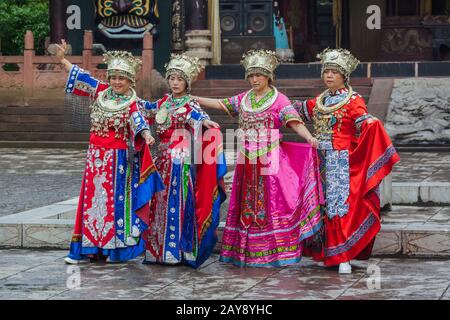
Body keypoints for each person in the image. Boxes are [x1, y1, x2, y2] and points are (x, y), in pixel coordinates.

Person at [193, 49, 323, 267]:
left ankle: (275, 251)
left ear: (268, 77)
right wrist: (194, 98)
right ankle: (245, 252)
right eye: (251, 76)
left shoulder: (279, 100)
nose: (254, 79)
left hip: (270, 159)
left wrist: (309, 137)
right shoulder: (244, 99)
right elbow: (221, 103)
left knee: (273, 205)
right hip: (247, 161)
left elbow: (294, 122)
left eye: (259, 75)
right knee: (246, 205)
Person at [54, 40, 165, 264]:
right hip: (95, 158)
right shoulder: (102, 92)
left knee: (113, 204)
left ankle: (111, 250)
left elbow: (139, 122)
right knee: (91, 202)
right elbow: (81, 76)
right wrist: (61, 59)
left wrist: (147, 135)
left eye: (121, 78)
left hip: (117, 160)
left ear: (129, 80)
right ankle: (84, 250)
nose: (116, 82)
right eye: (113, 77)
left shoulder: (133, 102)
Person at [292, 48, 400, 274]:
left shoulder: (353, 100)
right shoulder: (320, 100)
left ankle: (344, 256)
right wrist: (278, 103)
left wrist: (370, 123)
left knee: (339, 206)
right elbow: (298, 112)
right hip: (318, 159)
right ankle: (326, 252)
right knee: (320, 204)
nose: (328, 76)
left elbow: (363, 122)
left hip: (341, 161)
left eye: (333, 72)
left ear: (344, 75)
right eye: (326, 72)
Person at [139, 53, 227, 268]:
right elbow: (143, 109)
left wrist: (207, 123)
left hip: (180, 163)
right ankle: (156, 252)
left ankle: (177, 250)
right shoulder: (162, 102)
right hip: (161, 161)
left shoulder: (191, 104)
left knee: (177, 204)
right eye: (172, 79)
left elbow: (199, 117)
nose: (175, 83)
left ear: (187, 82)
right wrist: (127, 98)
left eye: (180, 79)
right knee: (158, 204)